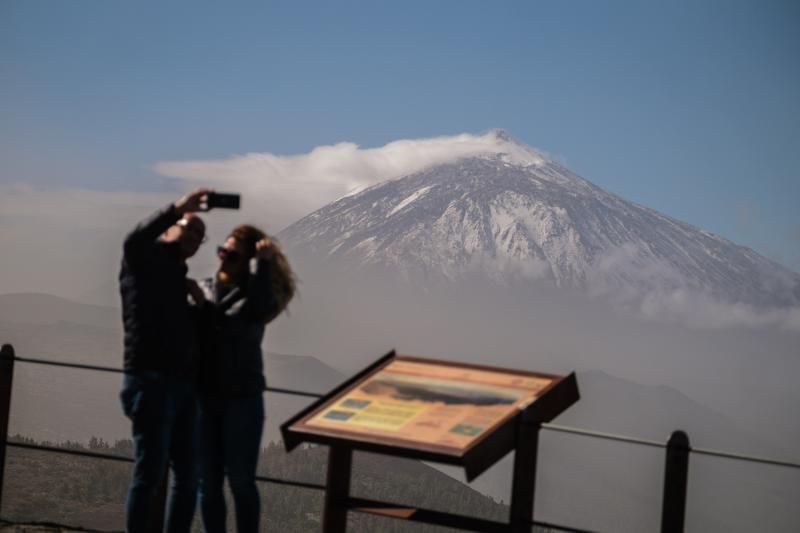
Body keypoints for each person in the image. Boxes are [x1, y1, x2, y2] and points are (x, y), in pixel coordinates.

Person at [118, 189, 210, 533]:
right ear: (171, 228)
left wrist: (199, 304)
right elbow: (135, 240)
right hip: (150, 381)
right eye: (190, 228)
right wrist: (177, 209)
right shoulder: (141, 262)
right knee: (150, 474)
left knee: (187, 476)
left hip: (183, 387)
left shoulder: (177, 279)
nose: (196, 238)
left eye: (201, 235)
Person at [195, 224, 295, 533]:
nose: (223, 259)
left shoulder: (256, 299)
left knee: (241, 482)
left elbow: (257, 309)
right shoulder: (203, 289)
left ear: (248, 261)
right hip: (204, 399)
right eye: (221, 251)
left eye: (233, 255)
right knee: (207, 483)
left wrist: (262, 266)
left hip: (242, 400)